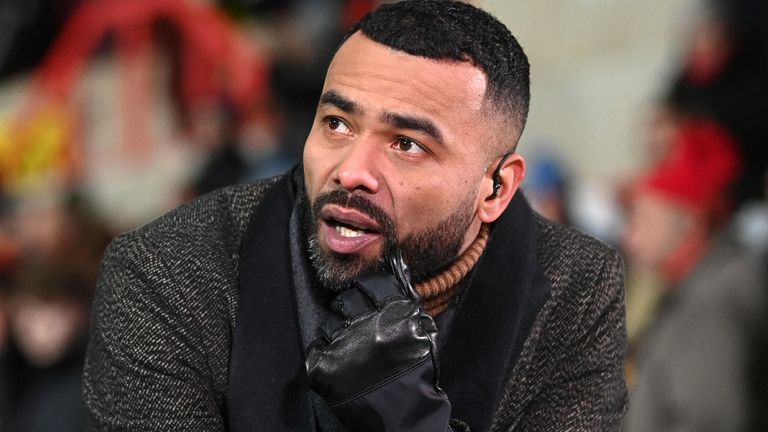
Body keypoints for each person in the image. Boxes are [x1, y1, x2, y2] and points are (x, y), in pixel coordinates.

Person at [83, 1, 628, 431]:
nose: (351, 171)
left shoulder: (576, 286)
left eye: (407, 144)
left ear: (495, 188)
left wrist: (406, 422)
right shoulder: (168, 272)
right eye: (338, 124)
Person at [622, 118, 768, 431]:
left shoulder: (713, 304)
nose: (631, 238)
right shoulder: (690, 290)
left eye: (644, 219)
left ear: (688, 223)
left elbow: (711, 419)